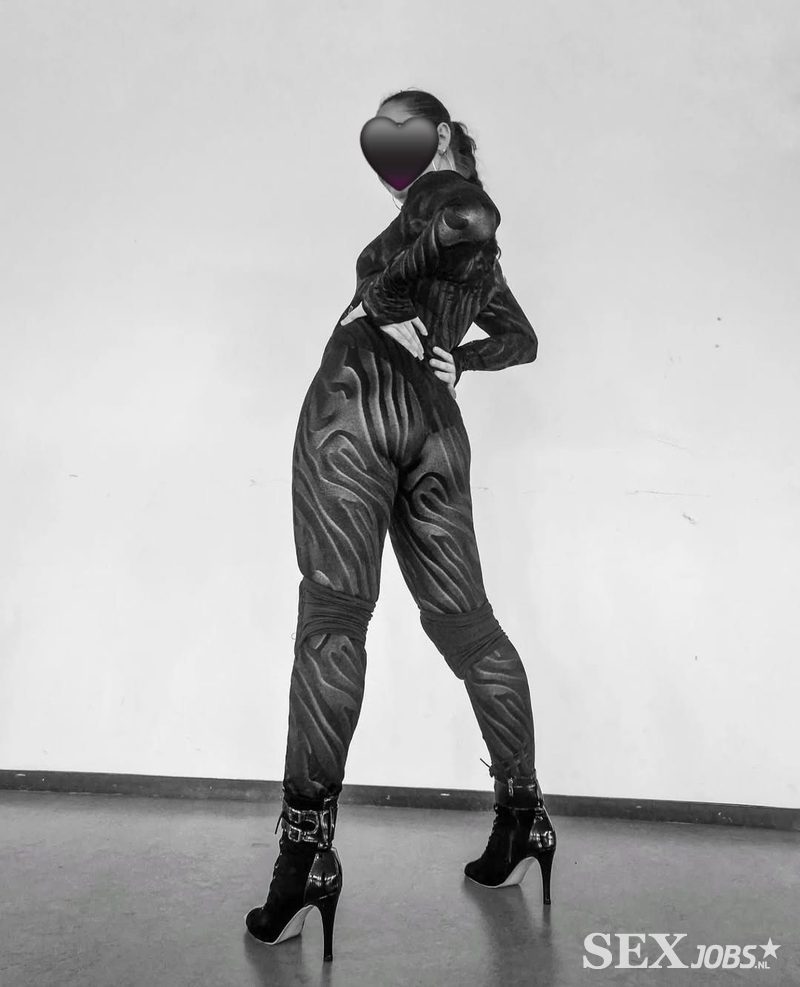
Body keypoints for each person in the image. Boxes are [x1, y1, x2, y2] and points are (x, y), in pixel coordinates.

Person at [245, 89, 557, 962]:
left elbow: (460, 217)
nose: (397, 172)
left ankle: (305, 856)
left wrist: (386, 294)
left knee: (334, 618)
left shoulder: (446, 201)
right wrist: (459, 357)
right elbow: (523, 339)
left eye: (409, 141)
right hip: (433, 424)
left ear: (444, 137)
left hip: (356, 403)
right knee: (469, 628)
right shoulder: (480, 261)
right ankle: (524, 818)